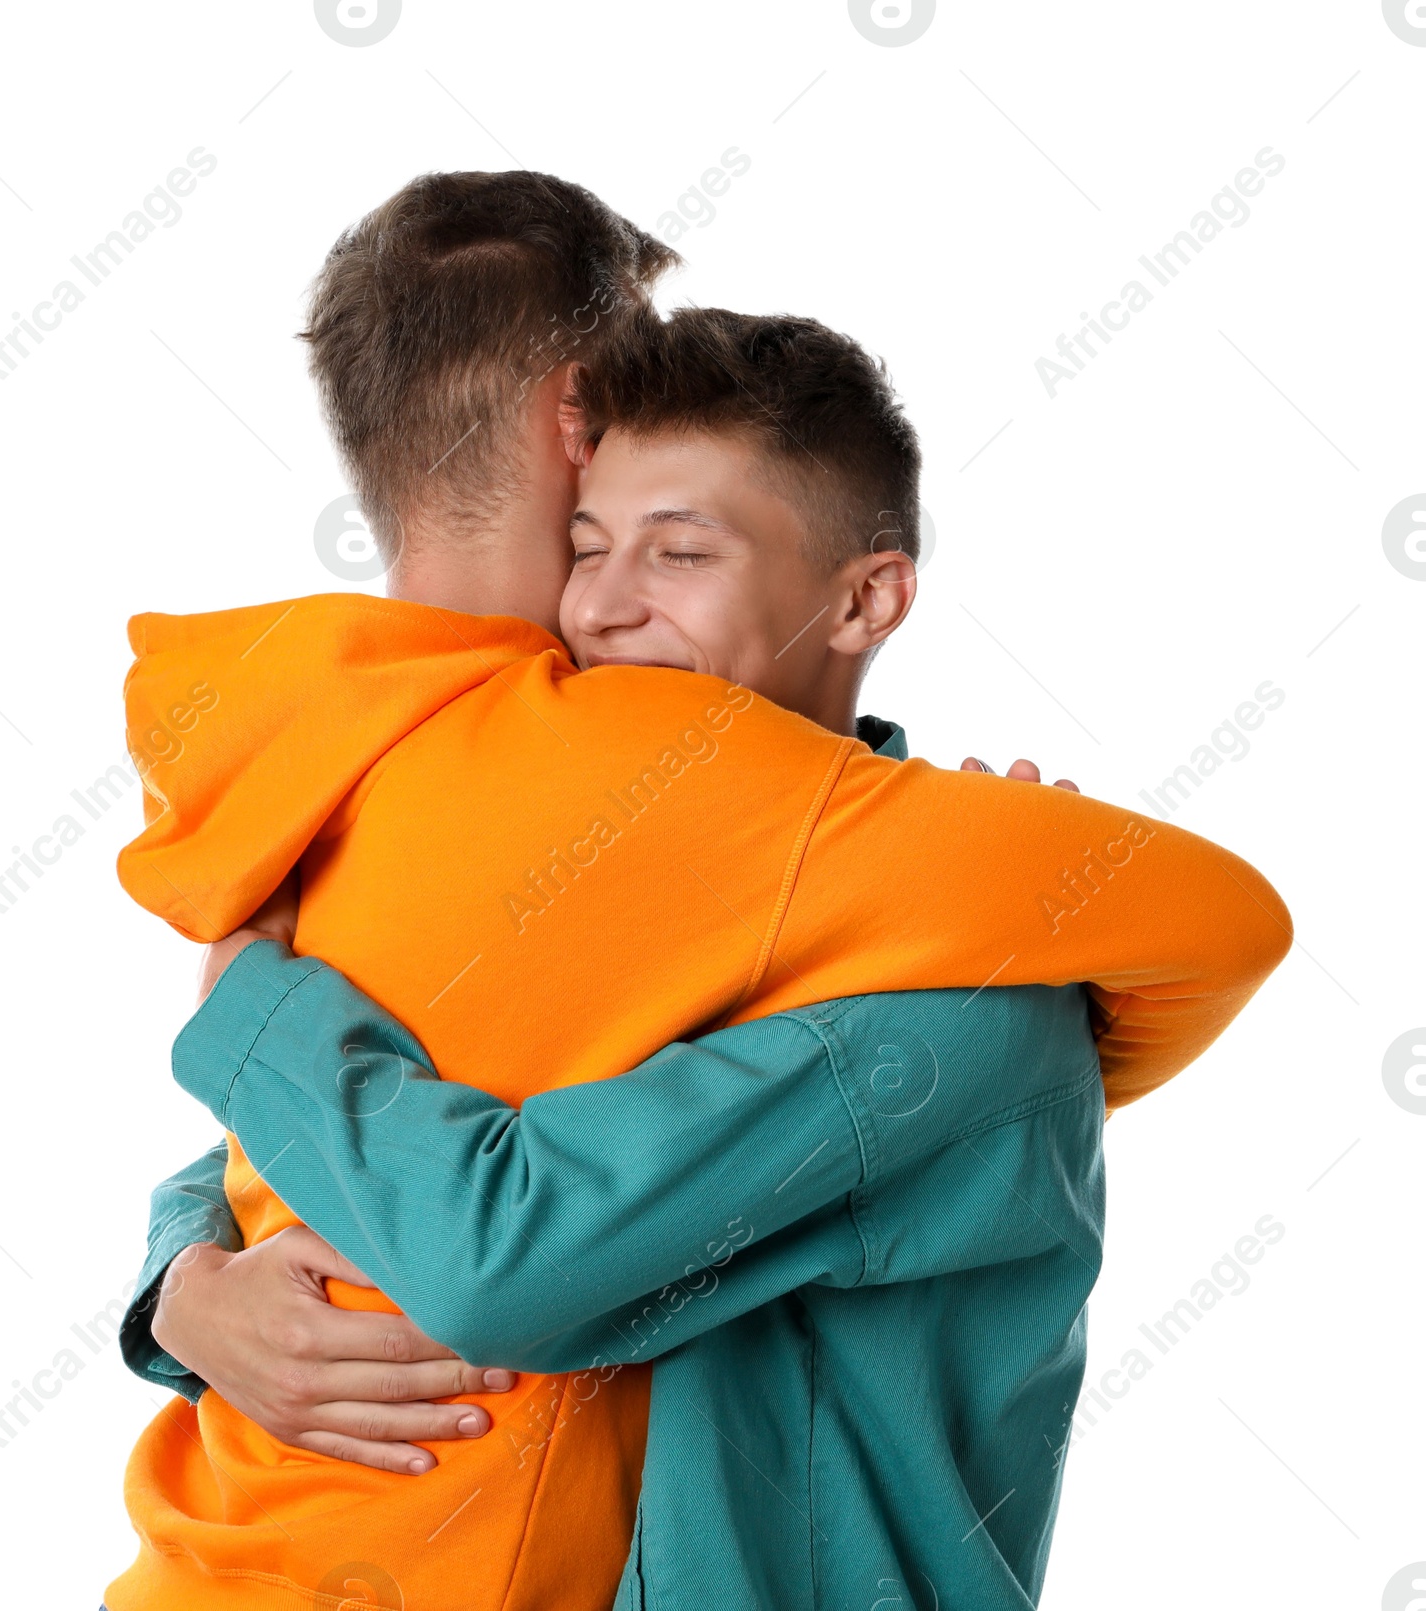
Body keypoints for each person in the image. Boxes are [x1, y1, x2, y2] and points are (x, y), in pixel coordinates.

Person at [104, 181, 1290, 1611]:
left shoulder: (937, 986)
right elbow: (318, 1144)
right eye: (590, 543)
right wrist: (184, 1290)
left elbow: (508, 1259)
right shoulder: (652, 863)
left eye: (681, 551)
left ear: (862, 602)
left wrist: (254, 1015)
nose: (600, 609)